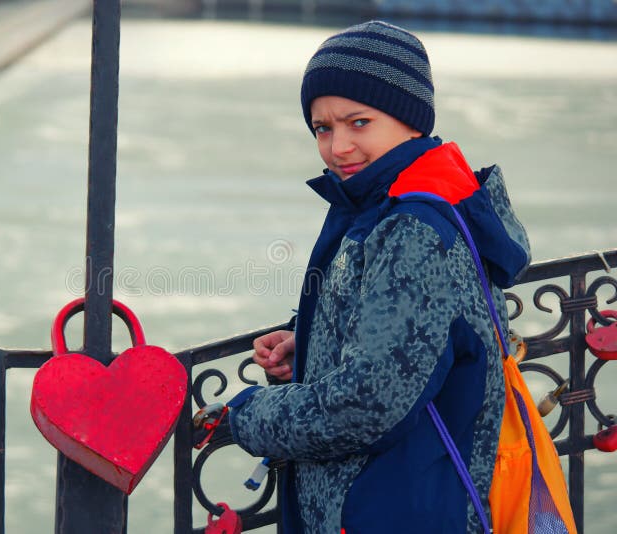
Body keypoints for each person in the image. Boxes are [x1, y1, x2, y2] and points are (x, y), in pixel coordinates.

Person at [225, 21, 531, 533]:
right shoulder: (390, 202)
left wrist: (248, 415)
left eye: (358, 122)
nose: (337, 146)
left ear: (411, 120)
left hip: (392, 510)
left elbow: (366, 406)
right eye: (322, 127)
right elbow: (409, 339)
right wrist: (312, 341)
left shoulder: (413, 229)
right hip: (405, 499)